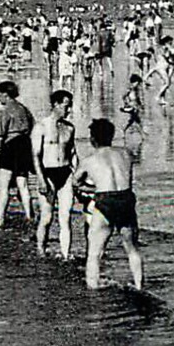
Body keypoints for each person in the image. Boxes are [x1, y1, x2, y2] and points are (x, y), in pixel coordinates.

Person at [73, 118, 144, 291]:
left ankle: (93, 289)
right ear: (112, 136)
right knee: (132, 249)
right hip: (126, 199)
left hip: (105, 200)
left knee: (94, 253)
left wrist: (89, 189)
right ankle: (139, 286)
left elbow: (75, 182)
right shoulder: (126, 153)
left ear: (92, 139)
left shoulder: (89, 160)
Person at [33, 89, 79, 260]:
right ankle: (40, 250)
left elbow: (73, 153)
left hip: (65, 173)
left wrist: (77, 176)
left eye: (70, 106)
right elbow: (35, 156)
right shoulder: (41, 127)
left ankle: (66, 254)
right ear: (56, 105)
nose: (69, 110)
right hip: (48, 173)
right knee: (46, 217)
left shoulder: (69, 128)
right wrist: (40, 179)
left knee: (65, 217)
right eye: (66, 106)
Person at [0, 80, 37, 227]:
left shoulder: (3, 112)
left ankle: (0, 219)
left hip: (10, 146)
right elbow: (33, 128)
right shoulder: (24, 110)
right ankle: (30, 216)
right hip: (24, 146)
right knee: (23, 184)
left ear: (5, 94)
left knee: (4, 185)